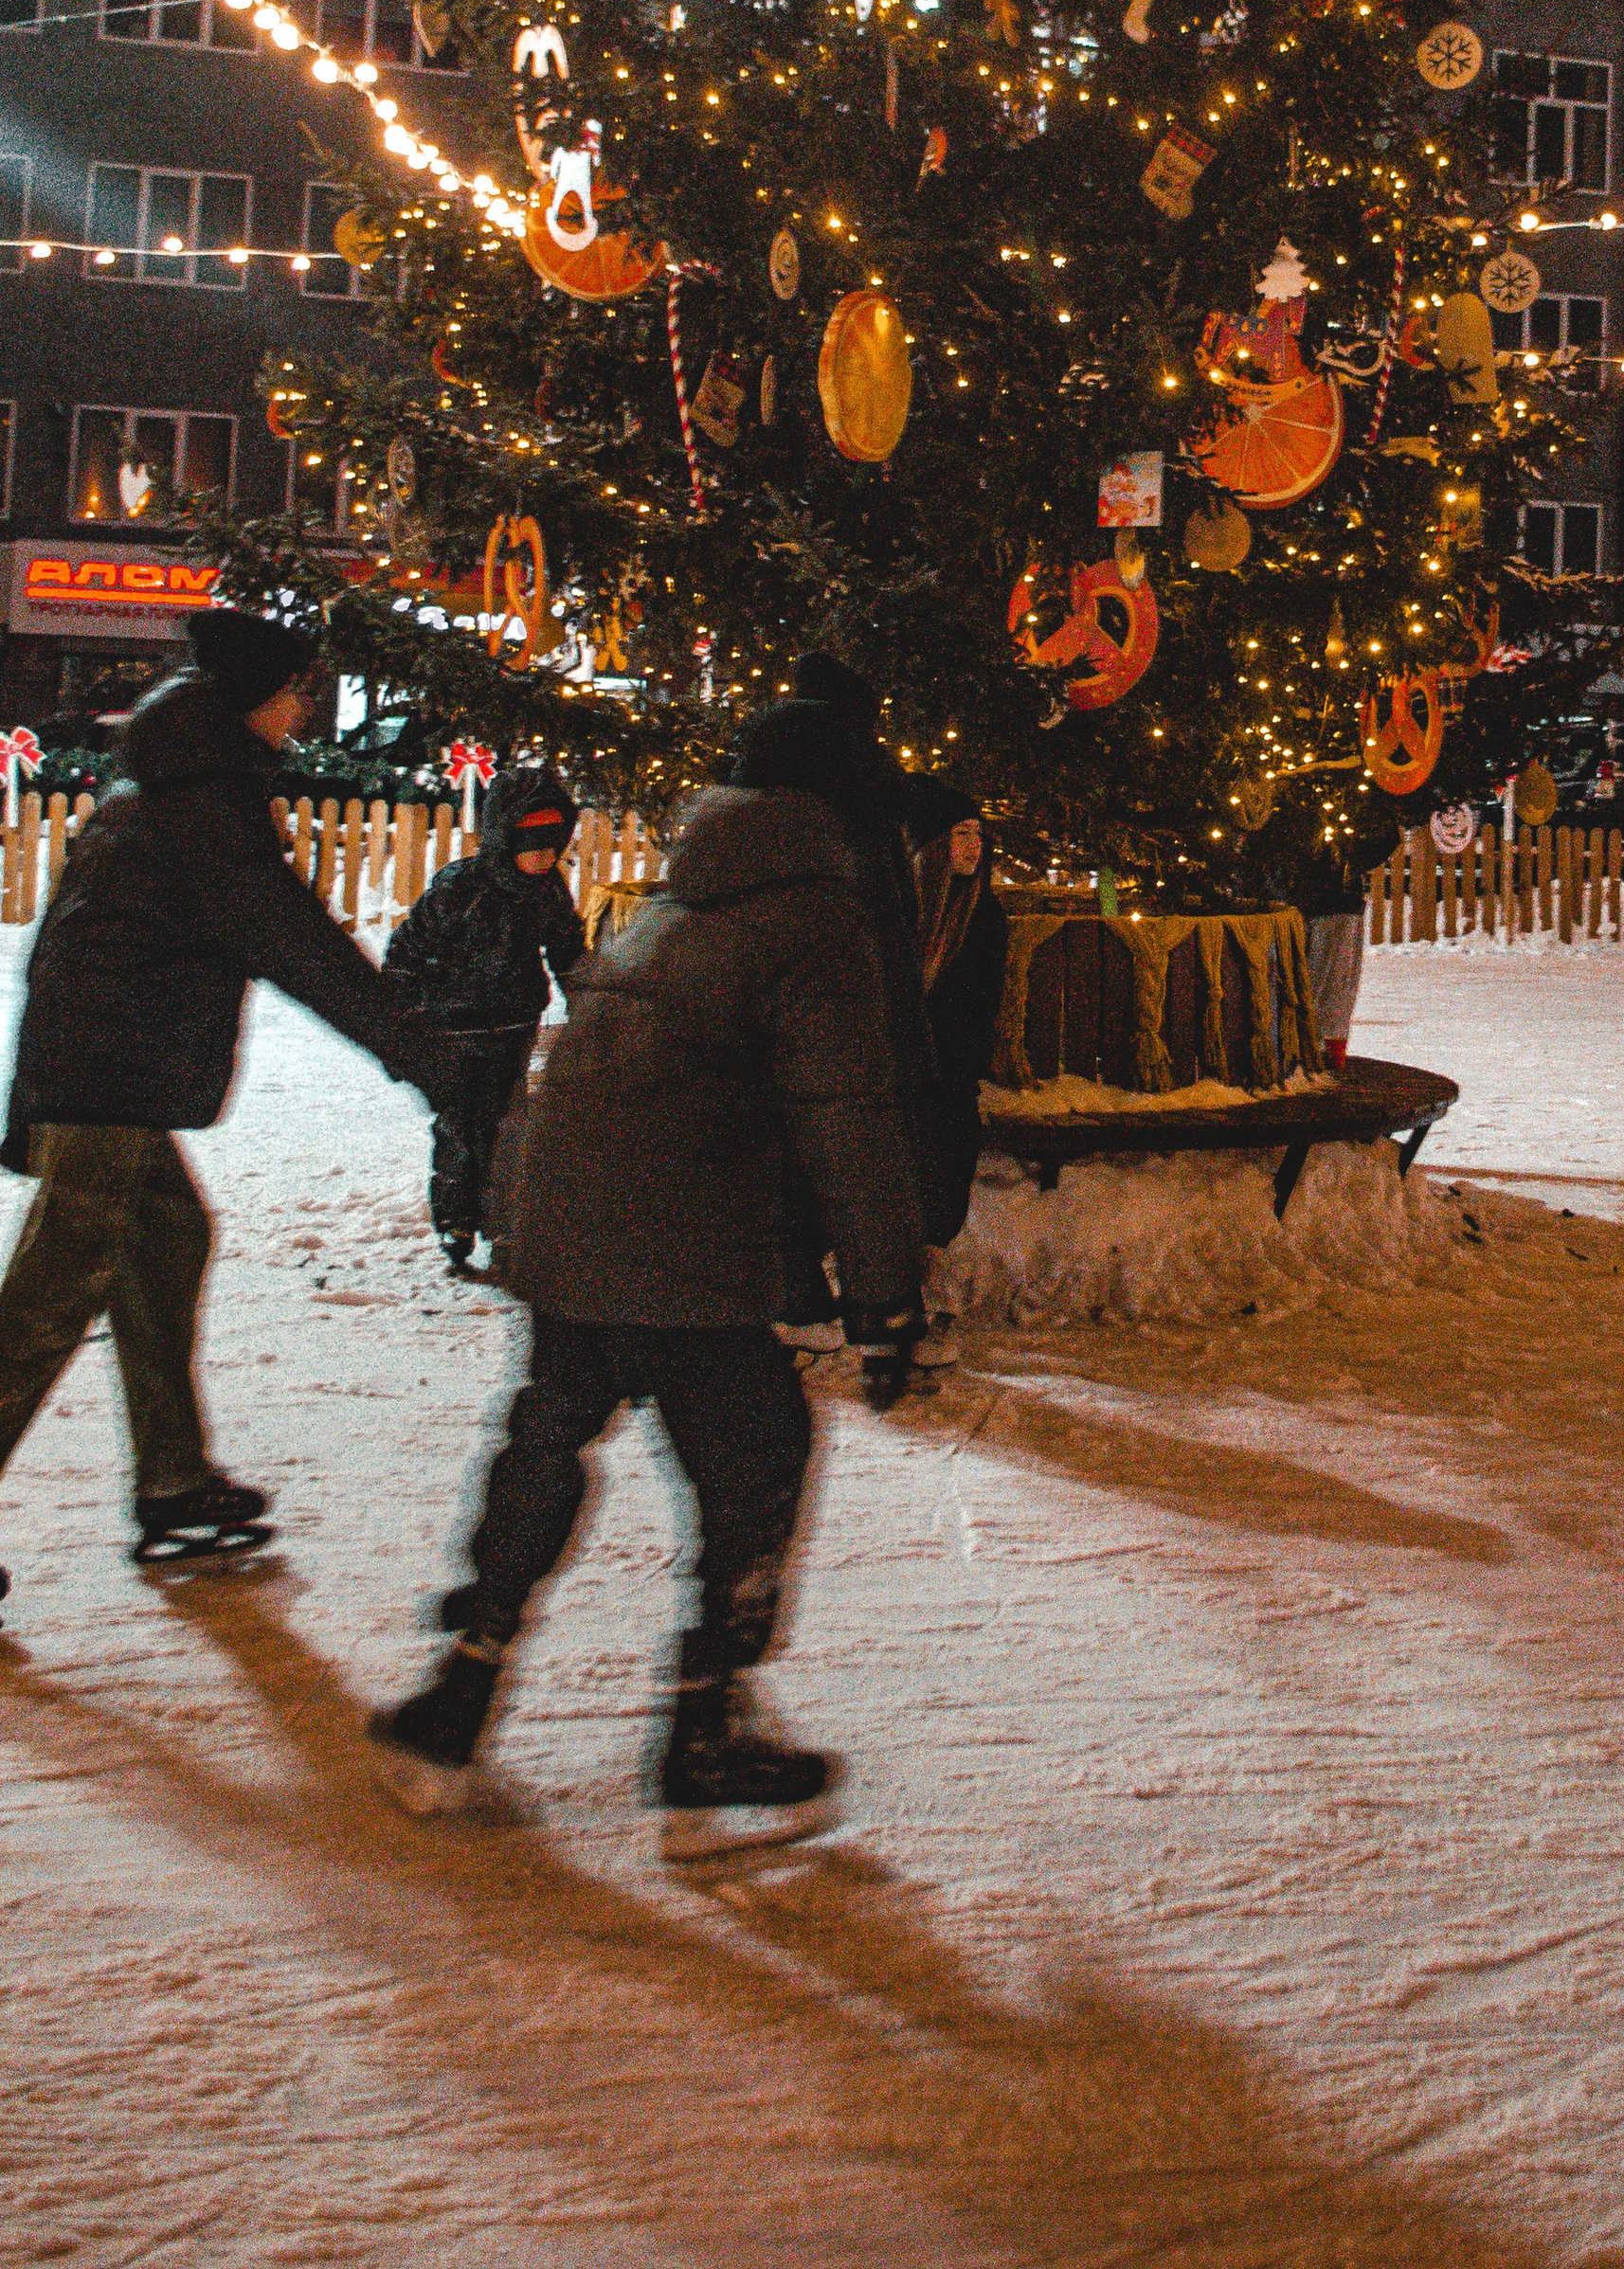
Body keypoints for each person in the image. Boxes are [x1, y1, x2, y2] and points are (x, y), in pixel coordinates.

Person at [370, 675, 933, 1839]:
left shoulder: (685, 896)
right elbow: (846, 1112)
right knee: (760, 1447)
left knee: (550, 1428)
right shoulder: (813, 917)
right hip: (674, 1231)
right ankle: (704, 1721)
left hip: (564, 1208)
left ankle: (462, 1684)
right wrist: (884, 1297)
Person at [0, 609, 450, 1599]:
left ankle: (172, 1480)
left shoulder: (170, 776)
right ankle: (170, 1479)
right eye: (298, 689)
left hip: (99, 1065)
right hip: (105, 1077)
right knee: (49, 1296)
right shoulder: (200, 799)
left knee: (167, 1239)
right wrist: (423, 1056)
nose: (304, 708)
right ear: (254, 695)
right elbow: (295, 943)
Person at [384, 762, 587, 1272]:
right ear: (503, 838)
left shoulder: (548, 890)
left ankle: (502, 1223)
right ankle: (456, 1220)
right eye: (530, 843)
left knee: (509, 1126)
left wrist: (587, 1006)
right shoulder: (461, 890)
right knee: (462, 1127)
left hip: (516, 1025)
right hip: (456, 1030)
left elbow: (567, 950)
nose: (543, 856)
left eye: (552, 843)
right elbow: (408, 954)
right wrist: (399, 1024)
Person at [902, 773, 1008, 1248]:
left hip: (948, 1071)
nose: (973, 847)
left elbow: (980, 1006)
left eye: (978, 835)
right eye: (961, 835)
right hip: (894, 1067)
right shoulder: (901, 912)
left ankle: (930, 1255)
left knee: (947, 1140)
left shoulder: (983, 916)